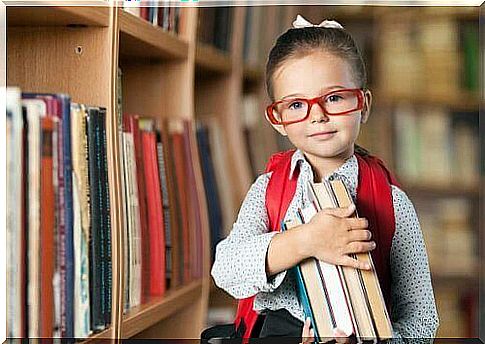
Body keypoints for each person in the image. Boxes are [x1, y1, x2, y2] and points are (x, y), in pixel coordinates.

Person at [210, 14, 439, 342]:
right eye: (296, 104)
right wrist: (306, 240)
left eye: (334, 98)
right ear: (277, 119)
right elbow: (226, 268)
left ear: (363, 104)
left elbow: (421, 320)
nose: (317, 115)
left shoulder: (392, 203)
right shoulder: (269, 189)